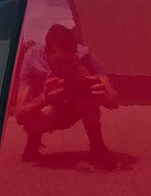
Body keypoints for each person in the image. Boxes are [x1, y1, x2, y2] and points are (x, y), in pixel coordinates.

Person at [13, 22, 121, 168]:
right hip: (49, 109)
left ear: (76, 52)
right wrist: (45, 97)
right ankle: (33, 141)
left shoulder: (86, 55)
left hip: (75, 107)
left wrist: (102, 94)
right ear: (47, 52)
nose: (64, 66)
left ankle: (97, 145)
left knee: (89, 88)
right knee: (34, 117)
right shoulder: (32, 58)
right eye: (59, 61)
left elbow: (114, 102)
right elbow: (20, 116)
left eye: (70, 60)